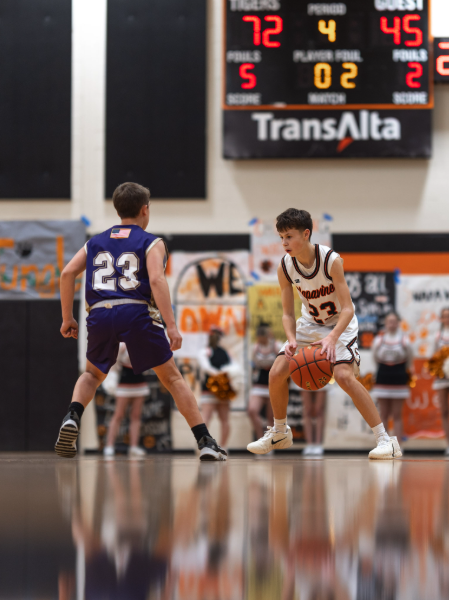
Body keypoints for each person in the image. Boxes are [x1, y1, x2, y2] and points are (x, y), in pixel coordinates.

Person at [54, 182, 227, 461]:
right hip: (135, 311)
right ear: (145, 210)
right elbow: (157, 280)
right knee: (172, 378)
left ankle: (72, 416)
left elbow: (66, 274)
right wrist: (171, 325)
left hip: (99, 312)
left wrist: (67, 318)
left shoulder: (95, 241)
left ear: (117, 209)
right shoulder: (151, 241)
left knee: (92, 374)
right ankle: (205, 441)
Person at [247, 208, 401, 460]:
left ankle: (386, 440)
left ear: (306, 234)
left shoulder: (331, 260)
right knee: (276, 373)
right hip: (309, 323)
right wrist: (292, 338)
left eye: (289, 236)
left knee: (343, 376)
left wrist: (331, 337)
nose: (284, 243)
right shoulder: (285, 267)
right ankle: (279, 431)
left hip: (339, 324)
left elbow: (349, 308)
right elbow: (287, 313)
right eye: (281, 237)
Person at [371, 312, 413, 444]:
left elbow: (410, 359)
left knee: (397, 414)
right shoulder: (379, 340)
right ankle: (384, 444)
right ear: (385, 323)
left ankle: (398, 445)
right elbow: (375, 358)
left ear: (398, 323)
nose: (392, 324)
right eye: (389, 321)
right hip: (383, 376)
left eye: (394, 321)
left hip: (399, 377)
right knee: (383, 414)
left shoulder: (405, 340)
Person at [103, 343, 148, 457]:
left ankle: (133, 447)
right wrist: (111, 379)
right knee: (118, 414)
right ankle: (109, 446)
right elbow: (113, 364)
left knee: (136, 415)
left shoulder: (143, 342)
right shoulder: (121, 345)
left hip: (140, 382)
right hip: (124, 382)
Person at [199, 326, 232, 449]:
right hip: (217, 390)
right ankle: (222, 447)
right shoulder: (222, 352)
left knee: (206, 420)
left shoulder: (205, 351)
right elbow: (231, 369)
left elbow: (207, 368)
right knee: (223, 420)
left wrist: (219, 375)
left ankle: (206, 446)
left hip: (213, 389)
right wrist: (221, 376)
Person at [247, 325, 279, 440]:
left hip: (273, 384)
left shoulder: (276, 346)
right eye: (259, 337)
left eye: (262, 337)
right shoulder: (255, 348)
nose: (260, 339)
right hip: (259, 383)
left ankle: (268, 442)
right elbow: (252, 365)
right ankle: (260, 437)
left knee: (271, 417)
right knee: (252, 410)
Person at [432, 307, 449, 455]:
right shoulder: (438, 336)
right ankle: (448, 444)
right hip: (442, 377)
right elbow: (434, 357)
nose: (447, 319)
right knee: (444, 411)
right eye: (444, 316)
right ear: (441, 319)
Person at [301, 388, 327, 456]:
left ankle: (318, 444)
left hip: (321, 378)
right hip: (305, 377)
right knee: (307, 410)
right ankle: (309, 444)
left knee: (319, 410)